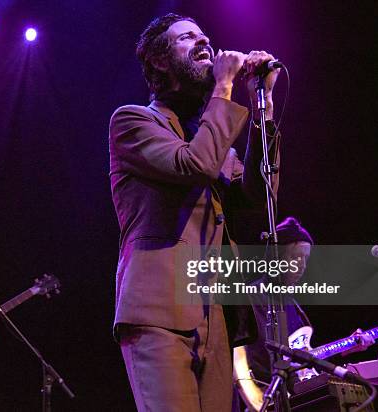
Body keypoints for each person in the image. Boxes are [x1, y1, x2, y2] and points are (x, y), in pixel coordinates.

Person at [109, 13, 281, 412]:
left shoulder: (212, 138)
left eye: (205, 36)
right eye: (188, 38)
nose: (205, 42)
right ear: (160, 61)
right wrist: (224, 84)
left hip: (217, 313)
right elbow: (194, 165)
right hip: (157, 311)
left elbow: (259, 194)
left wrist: (263, 108)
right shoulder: (134, 121)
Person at [233, 217, 375, 411]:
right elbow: (236, 353)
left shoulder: (293, 305)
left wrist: (346, 347)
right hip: (264, 399)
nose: (302, 265)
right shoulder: (250, 296)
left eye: (305, 259)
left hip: (294, 400)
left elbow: (304, 360)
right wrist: (253, 395)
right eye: (296, 257)